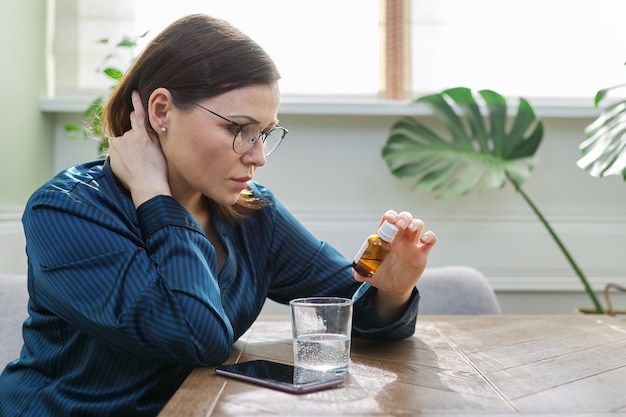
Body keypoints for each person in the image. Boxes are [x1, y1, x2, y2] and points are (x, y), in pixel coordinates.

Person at [0, 13, 437, 417]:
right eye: (239, 129)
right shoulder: (65, 211)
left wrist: (391, 290)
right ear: (161, 111)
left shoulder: (253, 213)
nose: (260, 156)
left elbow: (342, 313)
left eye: (264, 133)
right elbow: (196, 338)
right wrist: (155, 195)